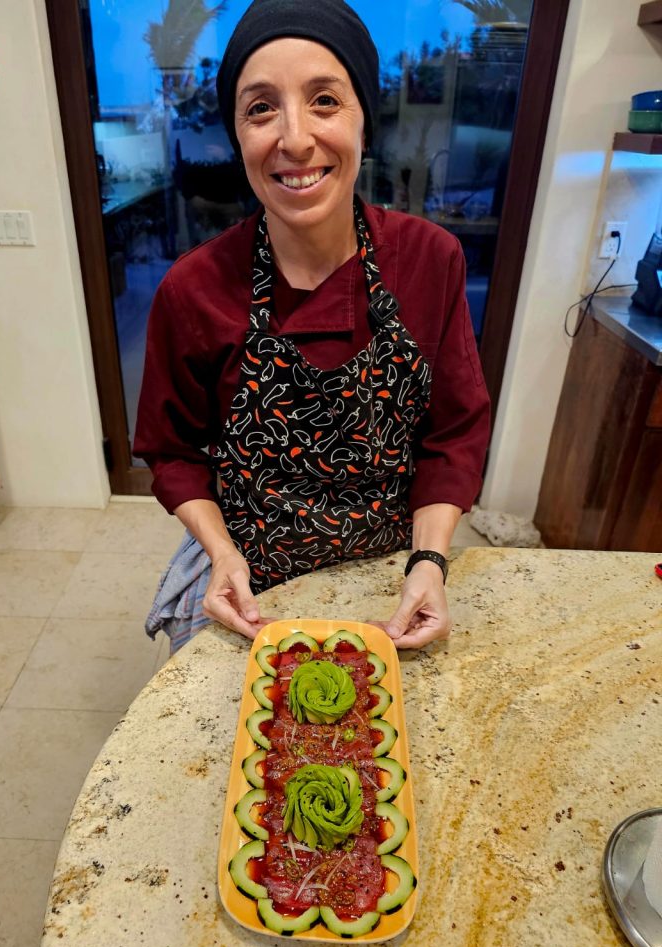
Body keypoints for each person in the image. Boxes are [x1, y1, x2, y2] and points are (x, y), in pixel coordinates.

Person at [133, 0, 490, 654]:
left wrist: (429, 563)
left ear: (364, 120)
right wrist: (220, 554)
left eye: (325, 100)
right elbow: (172, 452)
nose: (295, 139)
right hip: (251, 579)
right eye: (261, 108)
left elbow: (454, 433)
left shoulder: (429, 260)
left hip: (393, 578)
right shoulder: (193, 288)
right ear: (237, 134)